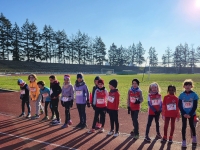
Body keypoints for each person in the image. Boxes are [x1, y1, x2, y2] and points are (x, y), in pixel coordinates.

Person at [178, 79, 199, 148]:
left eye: (189, 85)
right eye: (186, 85)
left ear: (191, 86)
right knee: (184, 126)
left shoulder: (194, 95)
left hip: (191, 114)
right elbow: (179, 105)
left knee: (192, 126)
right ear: (184, 86)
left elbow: (195, 106)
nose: (188, 86)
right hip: (184, 114)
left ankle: (194, 137)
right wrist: (184, 113)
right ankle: (184, 141)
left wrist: (190, 114)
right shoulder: (181, 95)